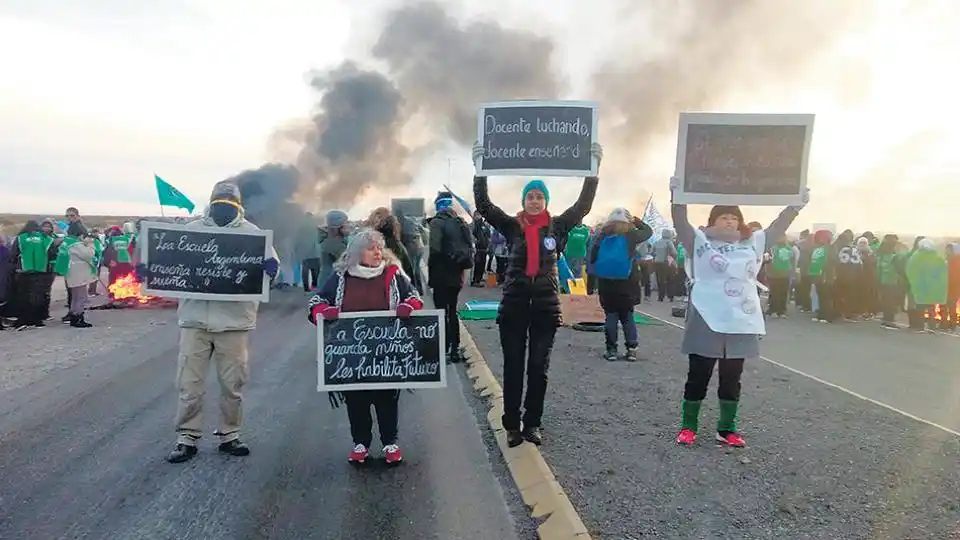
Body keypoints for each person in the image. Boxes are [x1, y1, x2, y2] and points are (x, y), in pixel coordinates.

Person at [473, 141, 603, 447]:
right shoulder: (511, 226)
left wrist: (594, 170)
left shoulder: (558, 227)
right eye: (530, 196)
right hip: (514, 307)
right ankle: (512, 425)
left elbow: (582, 206)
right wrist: (479, 170)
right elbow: (484, 206)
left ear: (546, 201)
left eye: (539, 196)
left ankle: (532, 424)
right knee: (513, 368)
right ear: (524, 200)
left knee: (537, 369)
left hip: (545, 309)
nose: (534, 201)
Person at [146, 181, 279, 463]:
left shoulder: (253, 235)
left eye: (229, 200)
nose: (224, 205)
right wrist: (151, 270)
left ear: (238, 204)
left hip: (234, 323)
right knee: (189, 383)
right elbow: (170, 266)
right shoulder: (191, 232)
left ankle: (230, 434)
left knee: (233, 384)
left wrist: (271, 270)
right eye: (220, 199)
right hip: (195, 321)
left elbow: (269, 274)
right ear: (211, 201)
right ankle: (187, 437)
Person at [670, 176, 807, 447]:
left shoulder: (753, 242)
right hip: (706, 316)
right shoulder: (698, 241)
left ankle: (727, 429)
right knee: (698, 374)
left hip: (740, 319)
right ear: (713, 221)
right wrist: (677, 196)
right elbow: (680, 222)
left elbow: (777, 227)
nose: (729, 222)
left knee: (732, 378)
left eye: (734, 218)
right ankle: (688, 427)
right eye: (723, 217)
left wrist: (795, 206)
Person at [307, 229, 423, 464]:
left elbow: (414, 297)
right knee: (356, 399)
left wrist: (409, 307)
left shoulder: (393, 274)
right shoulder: (341, 276)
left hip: (386, 351)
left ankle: (390, 443)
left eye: (379, 248)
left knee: (387, 398)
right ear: (358, 252)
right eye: (371, 249)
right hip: (351, 352)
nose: (378, 253)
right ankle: (360, 443)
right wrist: (323, 312)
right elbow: (317, 301)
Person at [590, 207, 653, 361]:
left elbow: (592, 258)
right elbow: (648, 232)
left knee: (610, 316)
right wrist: (637, 221)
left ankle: (611, 350)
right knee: (627, 316)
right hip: (627, 284)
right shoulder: (631, 235)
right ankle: (631, 349)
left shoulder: (601, 235)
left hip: (606, 283)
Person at [427, 191, 474, 363]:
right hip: (456, 274)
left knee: (441, 312)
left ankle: (444, 347)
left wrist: (431, 273)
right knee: (452, 311)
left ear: (438, 205)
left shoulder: (437, 222)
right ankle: (455, 348)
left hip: (441, 274)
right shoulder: (460, 222)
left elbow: (435, 250)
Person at [9, 220, 59, 329]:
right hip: (41, 271)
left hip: (23, 271)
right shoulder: (46, 239)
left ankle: (23, 320)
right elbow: (53, 254)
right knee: (37, 296)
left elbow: (13, 254)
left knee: (23, 296)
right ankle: (37, 320)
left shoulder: (21, 238)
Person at [905, 238, 947, 334]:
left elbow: (909, 270)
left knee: (921, 308)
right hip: (932, 288)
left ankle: (920, 327)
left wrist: (914, 282)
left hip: (920, 287)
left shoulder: (916, 256)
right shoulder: (937, 257)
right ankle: (932, 327)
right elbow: (942, 272)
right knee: (931, 308)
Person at [63, 222, 97, 328]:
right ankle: (78, 317)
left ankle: (74, 315)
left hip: (72, 272)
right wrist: (90, 244)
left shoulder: (67, 242)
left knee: (75, 296)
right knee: (80, 296)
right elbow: (89, 255)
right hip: (78, 273)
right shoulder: (75, 244)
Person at [318, 210, 349, 288]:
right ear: (338, 227)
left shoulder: (330, 239)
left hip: (327, 281)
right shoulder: (334, 243)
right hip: (331, 283)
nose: (348, 226)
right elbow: (348, 262)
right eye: (345, 223)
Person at [766, 235, 795, 318]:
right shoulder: (773, 249)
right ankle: (774, 310)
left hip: (784, 274)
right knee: (776, 293)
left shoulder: (789, 249)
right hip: (775, 274)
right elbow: (768, 261)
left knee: (782, 293)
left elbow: (792, 260)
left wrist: (792, 272)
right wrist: (768, 272)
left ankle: (780, 310)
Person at [296, 212, 322, 292]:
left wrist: (298, 251)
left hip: (306, 253)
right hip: (314, 252)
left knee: (306, 271)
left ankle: (307, 288)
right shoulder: (316, 227)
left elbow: (297, 241)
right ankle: (314, 286)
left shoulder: (301, 228)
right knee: (315, 271)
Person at [652, 230, 678, 302]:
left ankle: (660, 297)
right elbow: (675, 253)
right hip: (666, 263)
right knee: (670, 280)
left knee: (660, 281)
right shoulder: (669, 242)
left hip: (657, 263)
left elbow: (652, 252)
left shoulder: (656, 242)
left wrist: (657, 256)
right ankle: (670, 297)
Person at [471, 211, 492, 286]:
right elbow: (472, 235)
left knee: (482, 264)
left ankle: (479, 278)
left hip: (484, 248)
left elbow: (488, 234)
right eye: (476, 215)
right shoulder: (474, 224)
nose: (478, 216)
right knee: (478, 264)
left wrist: (488, 243)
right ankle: (475, 280)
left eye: (479, 215)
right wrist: (474, 243)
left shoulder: (484, 225)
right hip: (478, 248)